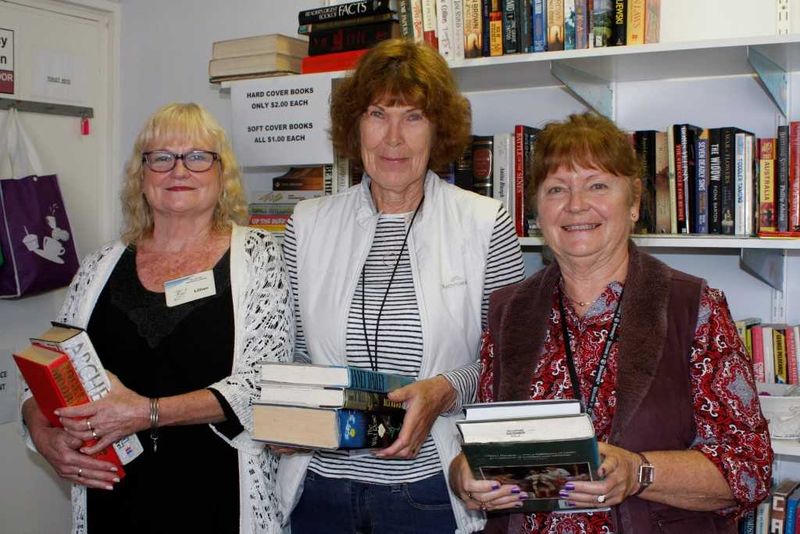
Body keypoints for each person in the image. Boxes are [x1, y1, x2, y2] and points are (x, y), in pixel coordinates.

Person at [448, 112, 773, 533]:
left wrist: (639, 472)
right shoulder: (508, 311)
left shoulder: (694, 308)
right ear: (537, 210)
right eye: (556, 189)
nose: (576, 204)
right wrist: (463, 473)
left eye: (597, 185)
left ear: (634, 202)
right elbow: (492, 446)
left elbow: (750, 468)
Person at [277, 39, 525, 534]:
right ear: (356, 125)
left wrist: (445, 389)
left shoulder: (484, 221)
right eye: (377, 114)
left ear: (438, 130)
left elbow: (510, 363)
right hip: (321, 488)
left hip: (430, 490)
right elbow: (291, 354)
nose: (393, 138)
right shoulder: (306, 223)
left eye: (412, 116)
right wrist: (287, 411)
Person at [20, 103, 293, 534]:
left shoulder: (259, 255)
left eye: (198, 156)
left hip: (219, 494)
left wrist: (146, 413)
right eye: (161, 157)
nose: (178, 171)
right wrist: (42, 433)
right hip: (112, 497)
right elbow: (46, 369)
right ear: (141, 177)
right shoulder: (99, 266)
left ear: (222, 175)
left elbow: (263, 384)